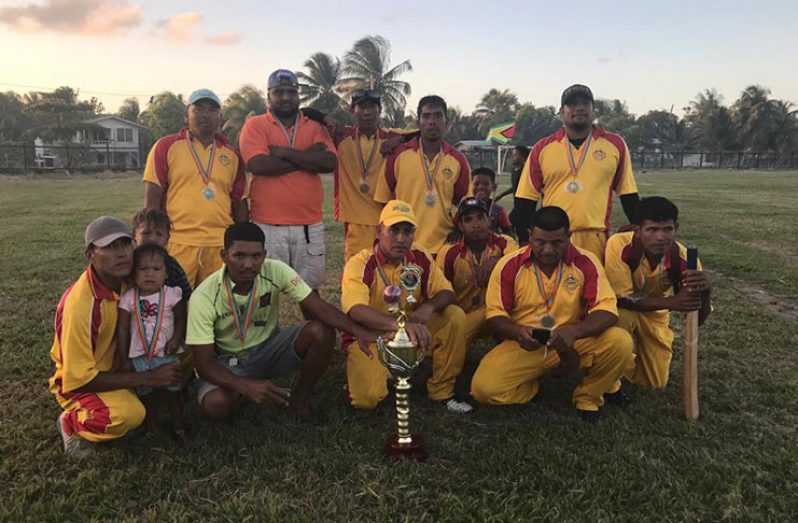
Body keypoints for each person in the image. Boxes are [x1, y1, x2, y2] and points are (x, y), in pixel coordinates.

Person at [186, 222, 376, 422]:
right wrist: (245, 385)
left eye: (256, 256)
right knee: (216, 406)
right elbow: (204, 363)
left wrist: (357, 330)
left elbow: (318, 307)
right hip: (228, 361)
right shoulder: (204, 296)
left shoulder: (276, 271)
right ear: (224, 256)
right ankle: (241, 391)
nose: (249, 264)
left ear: (265, 254)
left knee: (321, 331)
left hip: (269, 349)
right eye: (239, 256)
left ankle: (298, 402)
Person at [470, 207, 633, 423]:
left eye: (557, 243)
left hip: (573, 340)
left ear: (569, 237)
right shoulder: (509, 265)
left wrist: (575, 331)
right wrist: (518, 332)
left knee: (620, 342)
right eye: (540, 242)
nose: (548, 250)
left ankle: (588, 397)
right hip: (527, 344)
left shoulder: (586, 262)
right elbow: (496, 315)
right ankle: (531, 385)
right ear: (529, 236)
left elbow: (607, 310)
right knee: (484, 390)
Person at [50, 217, 181, 458]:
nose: (121, 253)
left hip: (123, 366)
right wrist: (148, 377)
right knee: (129, 415)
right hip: (84, 383)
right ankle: (71, 422)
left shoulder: (129, 281)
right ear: (90, 254)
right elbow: (79, 379)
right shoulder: (80, 305)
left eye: (124, 244)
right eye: (109, 247)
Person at [341, 200, 473, 413]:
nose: (401, 239)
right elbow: (356, 310)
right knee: (367, 399)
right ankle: (373, 373)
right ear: (379, 231)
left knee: (454, 316)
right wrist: (399, 326)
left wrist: (428, 307)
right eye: (394, 230)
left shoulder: (419, 256)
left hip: (412, 332)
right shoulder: (361, 263)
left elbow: (446, 292)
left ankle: (441, 391)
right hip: (371, 337)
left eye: (407, 231)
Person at [514, 84, 639, 260]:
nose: (579, 108)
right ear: (561, 112)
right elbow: (526, 199)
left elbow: (628, 193)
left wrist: (640, 228)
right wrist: (524, 239)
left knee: (592, 286)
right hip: (553, 238)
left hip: (595, 237)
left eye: (585, 103)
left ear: (593, 109)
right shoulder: (542, 148)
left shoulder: (614, 145)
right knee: (552, 286)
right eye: (572, 104)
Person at [238, 69, 337, 290]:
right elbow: (259, 165)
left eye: (291, 92)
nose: (285, 97)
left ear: (298, 95)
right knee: (265, 293)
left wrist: (283, 153)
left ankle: (314, 326)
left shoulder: (314, 126)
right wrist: (307, 155)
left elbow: (328, 163)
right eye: (279, 92)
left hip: (308, 224)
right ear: (268, 95)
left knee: (310, 292)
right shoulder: (255, 125)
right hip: (267, 225)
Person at [143, 88, 249, 288]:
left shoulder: (232, 154)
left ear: (220, 117)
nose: (206, 114)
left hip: (220, 244)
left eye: (212, 110)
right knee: (176, 306)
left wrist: (242, 242)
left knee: (217, 306)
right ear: (186, 115)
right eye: (198, 109)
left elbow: (239, 202)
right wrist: (153, 243)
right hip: (178, 242)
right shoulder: (166, 147)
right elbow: (152, 201)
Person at [604, 196, 711, 390]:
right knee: (618, 318)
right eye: (652, 230)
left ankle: (628, 364)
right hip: (625, 308)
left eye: (667, 229)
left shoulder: (686, 257)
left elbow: (697, 318)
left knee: (654, 383)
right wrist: (672, 302)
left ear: (676, 228)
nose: (661, 238)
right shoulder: (618, 244)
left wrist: (705, 294)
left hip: (655, 313)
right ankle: (612, 369)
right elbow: (621, 298)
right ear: (637, 230)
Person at [374, 95, 472, 256]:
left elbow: (466, 205)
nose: (432, 121)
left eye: (437, 116)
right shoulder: (398, 155)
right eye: (426, 116)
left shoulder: (457, 160)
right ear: (418, 122)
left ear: (446, 122)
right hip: (404, 247)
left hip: (442, 248)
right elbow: (383, 201)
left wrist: (456, 228)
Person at [330, 89, 411, 261]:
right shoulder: (342, 136)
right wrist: (325, 118)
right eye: (362, 107)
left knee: (384, 269)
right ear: (353, 111)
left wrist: (399, 140)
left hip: (384, 217)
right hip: (354, 219)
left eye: (372, 107)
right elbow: (306, 114)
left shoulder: (390, 136)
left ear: (379, 110)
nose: (367, 111)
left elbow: (422, 133)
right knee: (356, 269)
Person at [116, 244, 187, 439]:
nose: (150, 274)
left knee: (173, 394)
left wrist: (176, 338)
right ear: (133, 273)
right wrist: (123, 358)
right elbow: (122, 328)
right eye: (143, 269)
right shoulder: (128, 297)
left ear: (165, 273)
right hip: (139, 356)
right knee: (147, 395)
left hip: (167, 354)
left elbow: (182, 317)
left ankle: (179, 427)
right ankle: (153, 427)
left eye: (156, 269)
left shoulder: (173, 294)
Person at [436, 197, 518, 344]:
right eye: (468, 220)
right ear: (460, 226)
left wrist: (497, 263)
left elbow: (520, 266)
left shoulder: (504, 242)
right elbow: (440, 292)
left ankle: (507, 343)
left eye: (480, 218)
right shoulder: (448, 252)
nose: (476, 225)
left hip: (497, 313)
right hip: (460, 316)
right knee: (443, 342)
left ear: (489, 220)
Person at [451, 167, 514, 239]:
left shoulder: (498, 211)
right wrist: (455, 233)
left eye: (486, 184)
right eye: (476, 184)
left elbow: (509, 233)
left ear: (494, 187)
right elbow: (454, 228)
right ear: (470, 186)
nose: (480, 187)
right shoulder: (462, 209)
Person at [495, 145, 530, 242]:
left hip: (523, 207)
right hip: (517, 206)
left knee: (514, 229)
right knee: (509, 228)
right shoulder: (514, 171)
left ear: (522, 158)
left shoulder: (525, 172)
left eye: (515, 156)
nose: (511, 158)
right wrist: (501, 195)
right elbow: (515, 187)